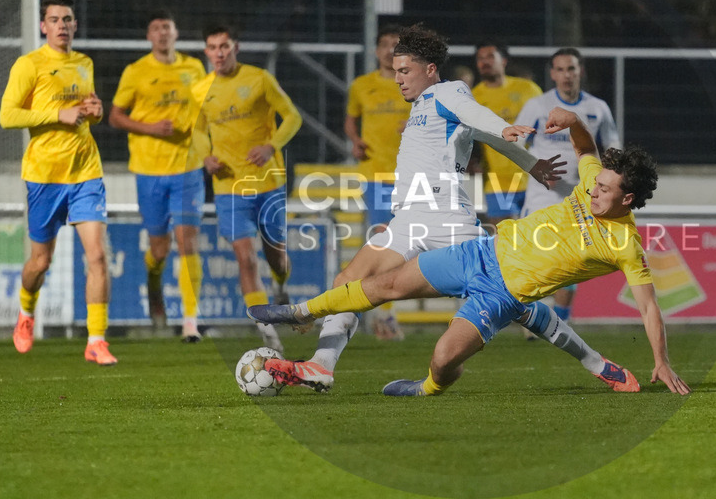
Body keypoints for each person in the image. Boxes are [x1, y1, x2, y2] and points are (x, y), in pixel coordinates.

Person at [252, 106, 690, 397]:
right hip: (479, 253)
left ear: (628, 200)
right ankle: (301, 312)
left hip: (501, 296)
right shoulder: (597, 177)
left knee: (443, 361)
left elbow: (649, 308)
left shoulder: (626, 246)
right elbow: (585, 149)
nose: (593, 191)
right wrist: (573, 119)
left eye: (605, 191)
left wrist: (661, 362)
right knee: (384, 283)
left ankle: (424, 388)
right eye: (594, 184)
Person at [252, 23, 570, 393]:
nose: (397, 79)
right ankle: (321, 367)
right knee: (345, 282)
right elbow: (482, 133)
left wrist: (504, 128)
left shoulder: (450, 92)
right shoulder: (424, 105)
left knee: (509, 296)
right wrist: (531, 164)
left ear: (430, 69)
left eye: (404, 71)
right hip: (407, 218)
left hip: (447, 216)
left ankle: (591, 359)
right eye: (396, 71)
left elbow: (479, 117)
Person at [0, 0, 116, 365]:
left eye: (68, 19)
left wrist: (96, 113)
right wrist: (56, 114)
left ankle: (96, 340)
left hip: (86, 171)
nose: (62, 25)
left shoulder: (84, 63)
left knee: (97, 256)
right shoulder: (28, 64)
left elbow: (84, 113)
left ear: (75, 25)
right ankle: (26, 311)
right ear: (43, 26)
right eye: (55, 19)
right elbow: (7, 115)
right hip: (44, 177)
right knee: (40, 263)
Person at [190, 23, 302, 352]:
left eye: (224, 46)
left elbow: (293, 117)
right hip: (228, 187)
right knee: (246, 258)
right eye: (212, 47)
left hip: (268, 181)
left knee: (276, 257)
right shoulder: (199, 90)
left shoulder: (259, 79)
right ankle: (267, 330)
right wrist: (205, 157)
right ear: (206, 52)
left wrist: (271, 145)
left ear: (235, 47)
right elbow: (197, 130)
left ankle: (281, 289)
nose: (219, 53)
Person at [109, 10, 208, 340]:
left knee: (187, 243)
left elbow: (207, 110)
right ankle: (154, 282)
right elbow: (115, 117)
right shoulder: (136, 72)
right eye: (156, 28)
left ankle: (191, 322)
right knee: (160, 249)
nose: (162, 33)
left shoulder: (194, 68)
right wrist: (150, 128)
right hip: (149, 170)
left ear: (176, 32)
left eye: (167, 26)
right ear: (149, 36)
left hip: (187, 168)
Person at [514, 47, 621, 323]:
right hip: (541, 196)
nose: (566, 75)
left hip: (580, 198)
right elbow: (513, 142)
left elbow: (613, 148)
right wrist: (535, 168)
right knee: (534, 258)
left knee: (572, 261)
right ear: (552, 74)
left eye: (571, 69)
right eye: (560, 69)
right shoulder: (537, 106)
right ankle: (532, 317)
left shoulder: (597, 108)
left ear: (580, 71)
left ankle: (559, 322)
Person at [342, 24, 408, 340]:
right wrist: (354, 140)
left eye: (396, 44)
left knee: (409, 245)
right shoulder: (361, 85)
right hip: (376, 176)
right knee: (381, 242)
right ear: (376, 50)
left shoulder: (413, 83)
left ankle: (383, 311)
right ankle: (384, 315)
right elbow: (350, 120)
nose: (389, 49)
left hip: (412, 175)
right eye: (384, 44)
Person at [471, 42, 543, 227]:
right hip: (498, 180)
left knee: (537, 233)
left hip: (534, 177)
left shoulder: (527, 89)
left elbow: (544, 127)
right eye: (480, 58)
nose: (484, 62)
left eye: (490, 57)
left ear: (503, 61)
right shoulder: (473, 98)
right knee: (503, 235)